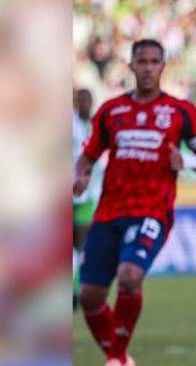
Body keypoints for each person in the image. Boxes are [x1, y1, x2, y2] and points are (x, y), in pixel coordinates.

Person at [73, 38, 196, 366]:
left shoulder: (183, 112)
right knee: (89, 296)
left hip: (152, 209)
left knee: (130, 274)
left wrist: (189, 162)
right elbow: (88, 155)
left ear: (163, 66)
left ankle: (113, 362)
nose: (148, 67)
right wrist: (80, 174)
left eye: (154, 61)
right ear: (131, 66)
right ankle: (119, 357)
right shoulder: (111, 111)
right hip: (110, 210)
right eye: (142, 61)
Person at [72, 87, 103, 306]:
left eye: (88, 100)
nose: (85, 103)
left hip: (87, 198)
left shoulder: (95, 126)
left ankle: (78, 292)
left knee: (83, 246)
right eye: (81, 99)